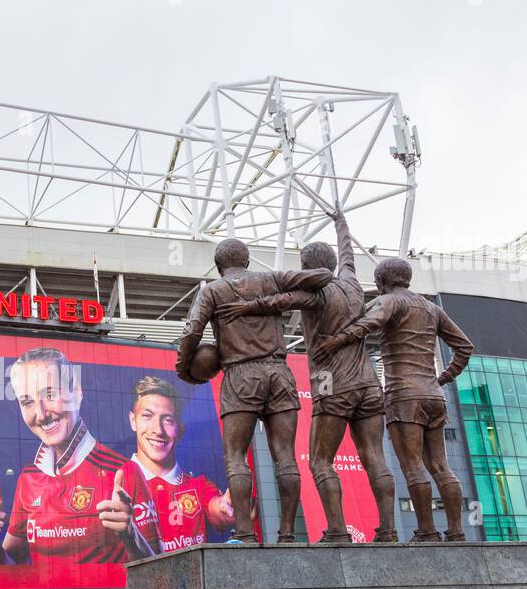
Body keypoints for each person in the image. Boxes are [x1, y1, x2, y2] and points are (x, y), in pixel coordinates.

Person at [209, 208, 398, 542]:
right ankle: (389, 530)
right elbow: (348, 254)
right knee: (375, 457)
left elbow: (278, 300)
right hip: (369, 383)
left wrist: (245, 307)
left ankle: (338, 531)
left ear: (306, 265)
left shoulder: (315, 294)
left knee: (321, 460)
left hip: (331, 383)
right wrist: (341, 222)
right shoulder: (352, 282)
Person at [176, 240, 333, 543]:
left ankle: (246, 534)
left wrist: (183, 369)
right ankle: (287, 534)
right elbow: (323, 276)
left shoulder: (212, 290)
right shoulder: (270, 279)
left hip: (240, 373)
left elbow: (192, 331)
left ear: (219, 265)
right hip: (279, 372)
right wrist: (277, 299)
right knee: (285, 457)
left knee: (235, 457)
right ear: (247, 261)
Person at [313, 256, 474, 541]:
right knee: (440, 466)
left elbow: (365, 324)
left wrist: (335, 341)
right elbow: (464, 346)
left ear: (381, 282)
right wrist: (443, 378)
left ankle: (426, 531)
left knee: (413, 466)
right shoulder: (432, 309)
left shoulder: (389, 302)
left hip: (404, 396)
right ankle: (456, 531)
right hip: (434, 396)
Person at [0, 347, 160, 565]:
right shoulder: (29, 477)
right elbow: (11, 572)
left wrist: (131, 536)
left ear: (76, 392)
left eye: (50, 395)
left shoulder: (123, 471)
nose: (42, 414)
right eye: (27, 402)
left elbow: (158, 574)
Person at [128, 376, 236, 551]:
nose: (158, 430)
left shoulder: (198, 486)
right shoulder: (114, 484)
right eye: (147, 416)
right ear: (133, 421)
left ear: (178, 427)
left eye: (168, 420)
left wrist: (231, 507)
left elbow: (220, 511)